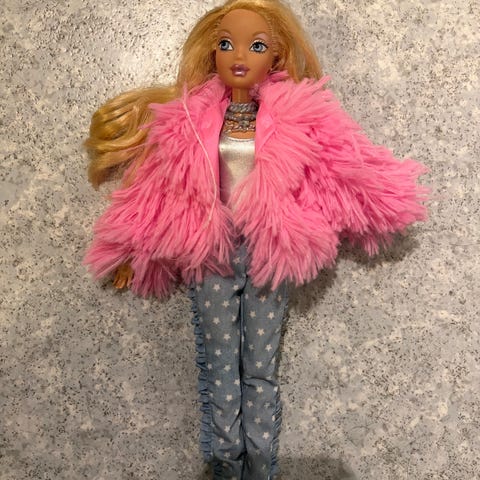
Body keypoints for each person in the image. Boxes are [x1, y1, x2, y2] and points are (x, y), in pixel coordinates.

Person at [83, 1, 428, 478]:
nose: (239, 56)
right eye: (226, 44)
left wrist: (383, 201)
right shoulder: (189, 118)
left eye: (256, 45)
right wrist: (130, 250)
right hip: (211, 250)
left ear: (277, 55)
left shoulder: (298, 113)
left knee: (261, 370)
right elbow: (158, 188)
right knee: (220, 367)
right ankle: (226, 466)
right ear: (212, 52)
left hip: (269, 250)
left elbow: (340, 164)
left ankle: (262, 469)